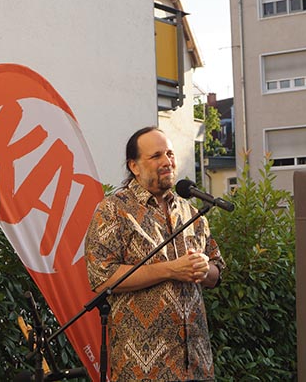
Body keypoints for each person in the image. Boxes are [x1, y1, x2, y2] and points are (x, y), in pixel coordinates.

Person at [84, 126, 225, 381]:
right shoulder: (113, 211)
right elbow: (101, 277)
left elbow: (217, 273)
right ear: (134, 166)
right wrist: (170, 269)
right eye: (156, 156)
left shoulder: (190, 212)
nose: (166, 161)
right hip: (142, 369)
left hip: (196, 366)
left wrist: (204, 270)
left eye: (169, 154)